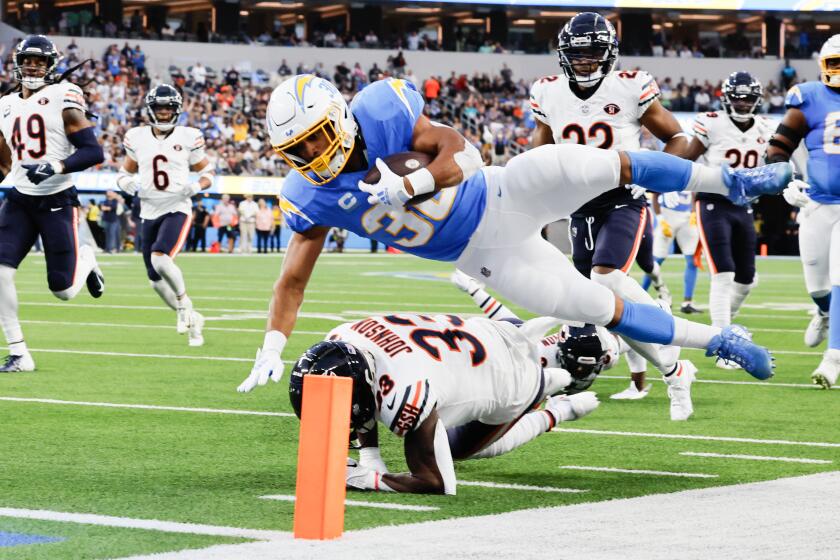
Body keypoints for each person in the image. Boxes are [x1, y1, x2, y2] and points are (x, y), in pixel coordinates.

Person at [235, 73, 791, 395]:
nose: (311, 155)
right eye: (297, 149)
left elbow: (466, 154)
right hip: (485, 254)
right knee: (600, 306)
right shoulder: (307, 194)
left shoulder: (381, 109)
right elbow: (291, 281)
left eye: (316, 138)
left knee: (605, 164)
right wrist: (272, 344)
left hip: (504, 192)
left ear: (339, 116)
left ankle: (733, 180)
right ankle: (720, 342)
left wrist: (415, 183)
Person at [529, 13, 697, 412]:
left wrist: (653, 178)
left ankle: (663, 321)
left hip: (624, 197)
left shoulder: (630, 86)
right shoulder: (547, 92)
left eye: (592, 54)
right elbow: (539, 152)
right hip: (579, 207)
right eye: (578, 55)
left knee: (606, 279)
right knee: (598, 306)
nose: (585, 62)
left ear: (610, 55)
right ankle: (673, 369)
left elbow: (677, 137)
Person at [289, 314, 601, 495]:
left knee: (459, 449)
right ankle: (550, 375)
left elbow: (437, 483)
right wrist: (371, 456)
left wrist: (368, 479)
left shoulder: (406, 394)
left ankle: (558, 407)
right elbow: (365, 384)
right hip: (489, 330)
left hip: (511, 379)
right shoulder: (345, 336)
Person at [0, 35, 105, 372]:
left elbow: (93, 151)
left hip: (57, 198)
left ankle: (87, 260)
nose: (33, 66)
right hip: (19, 200)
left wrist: (55, 166)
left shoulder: (64, 95)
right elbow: (4, 163)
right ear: (17, 63)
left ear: (50, 66)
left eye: (40, 61)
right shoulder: (4, 104)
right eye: (28, 60)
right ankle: (19, 353)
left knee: (62, 290)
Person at [682, 72, 772, 369]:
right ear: (726, 97)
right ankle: (725, 344)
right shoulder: (712, 122)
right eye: (738, 96)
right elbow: (687, 159)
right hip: (712, 203)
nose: (743, 102)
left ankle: (726, 327)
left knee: (746, 279)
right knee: (723, 274)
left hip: (742, 205)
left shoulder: (763, 127)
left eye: (748, 97)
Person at [116, 84, 212, 347]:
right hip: (148, 210)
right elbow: (124, 173)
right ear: (150, 109)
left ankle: (182, 305)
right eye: (159, 108)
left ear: (177, 110)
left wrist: (195, 186)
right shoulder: (136, 137)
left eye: (169, 108)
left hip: (176, 207)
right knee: (155, 282)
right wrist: (126, 183)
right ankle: (195, 323)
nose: (164, 113)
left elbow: (208, 172)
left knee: (160, 259)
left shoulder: (189, 136)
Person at [770, 35, 840, 388]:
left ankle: (834, 358)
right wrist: (787, 181)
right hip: (817, 202)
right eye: (836, 63)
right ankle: (825, 311)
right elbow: (777, 148)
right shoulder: (808, 97)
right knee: (816, 282)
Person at [643, 190, 701, 316]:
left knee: (692, 261)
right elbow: (655, 193)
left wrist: (693, 212)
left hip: (687, 217)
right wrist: (660, 218)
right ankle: (640, 295)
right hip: (667, 215)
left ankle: (687, 302)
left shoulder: (692, 170)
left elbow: (693, 192)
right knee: (654, 262)